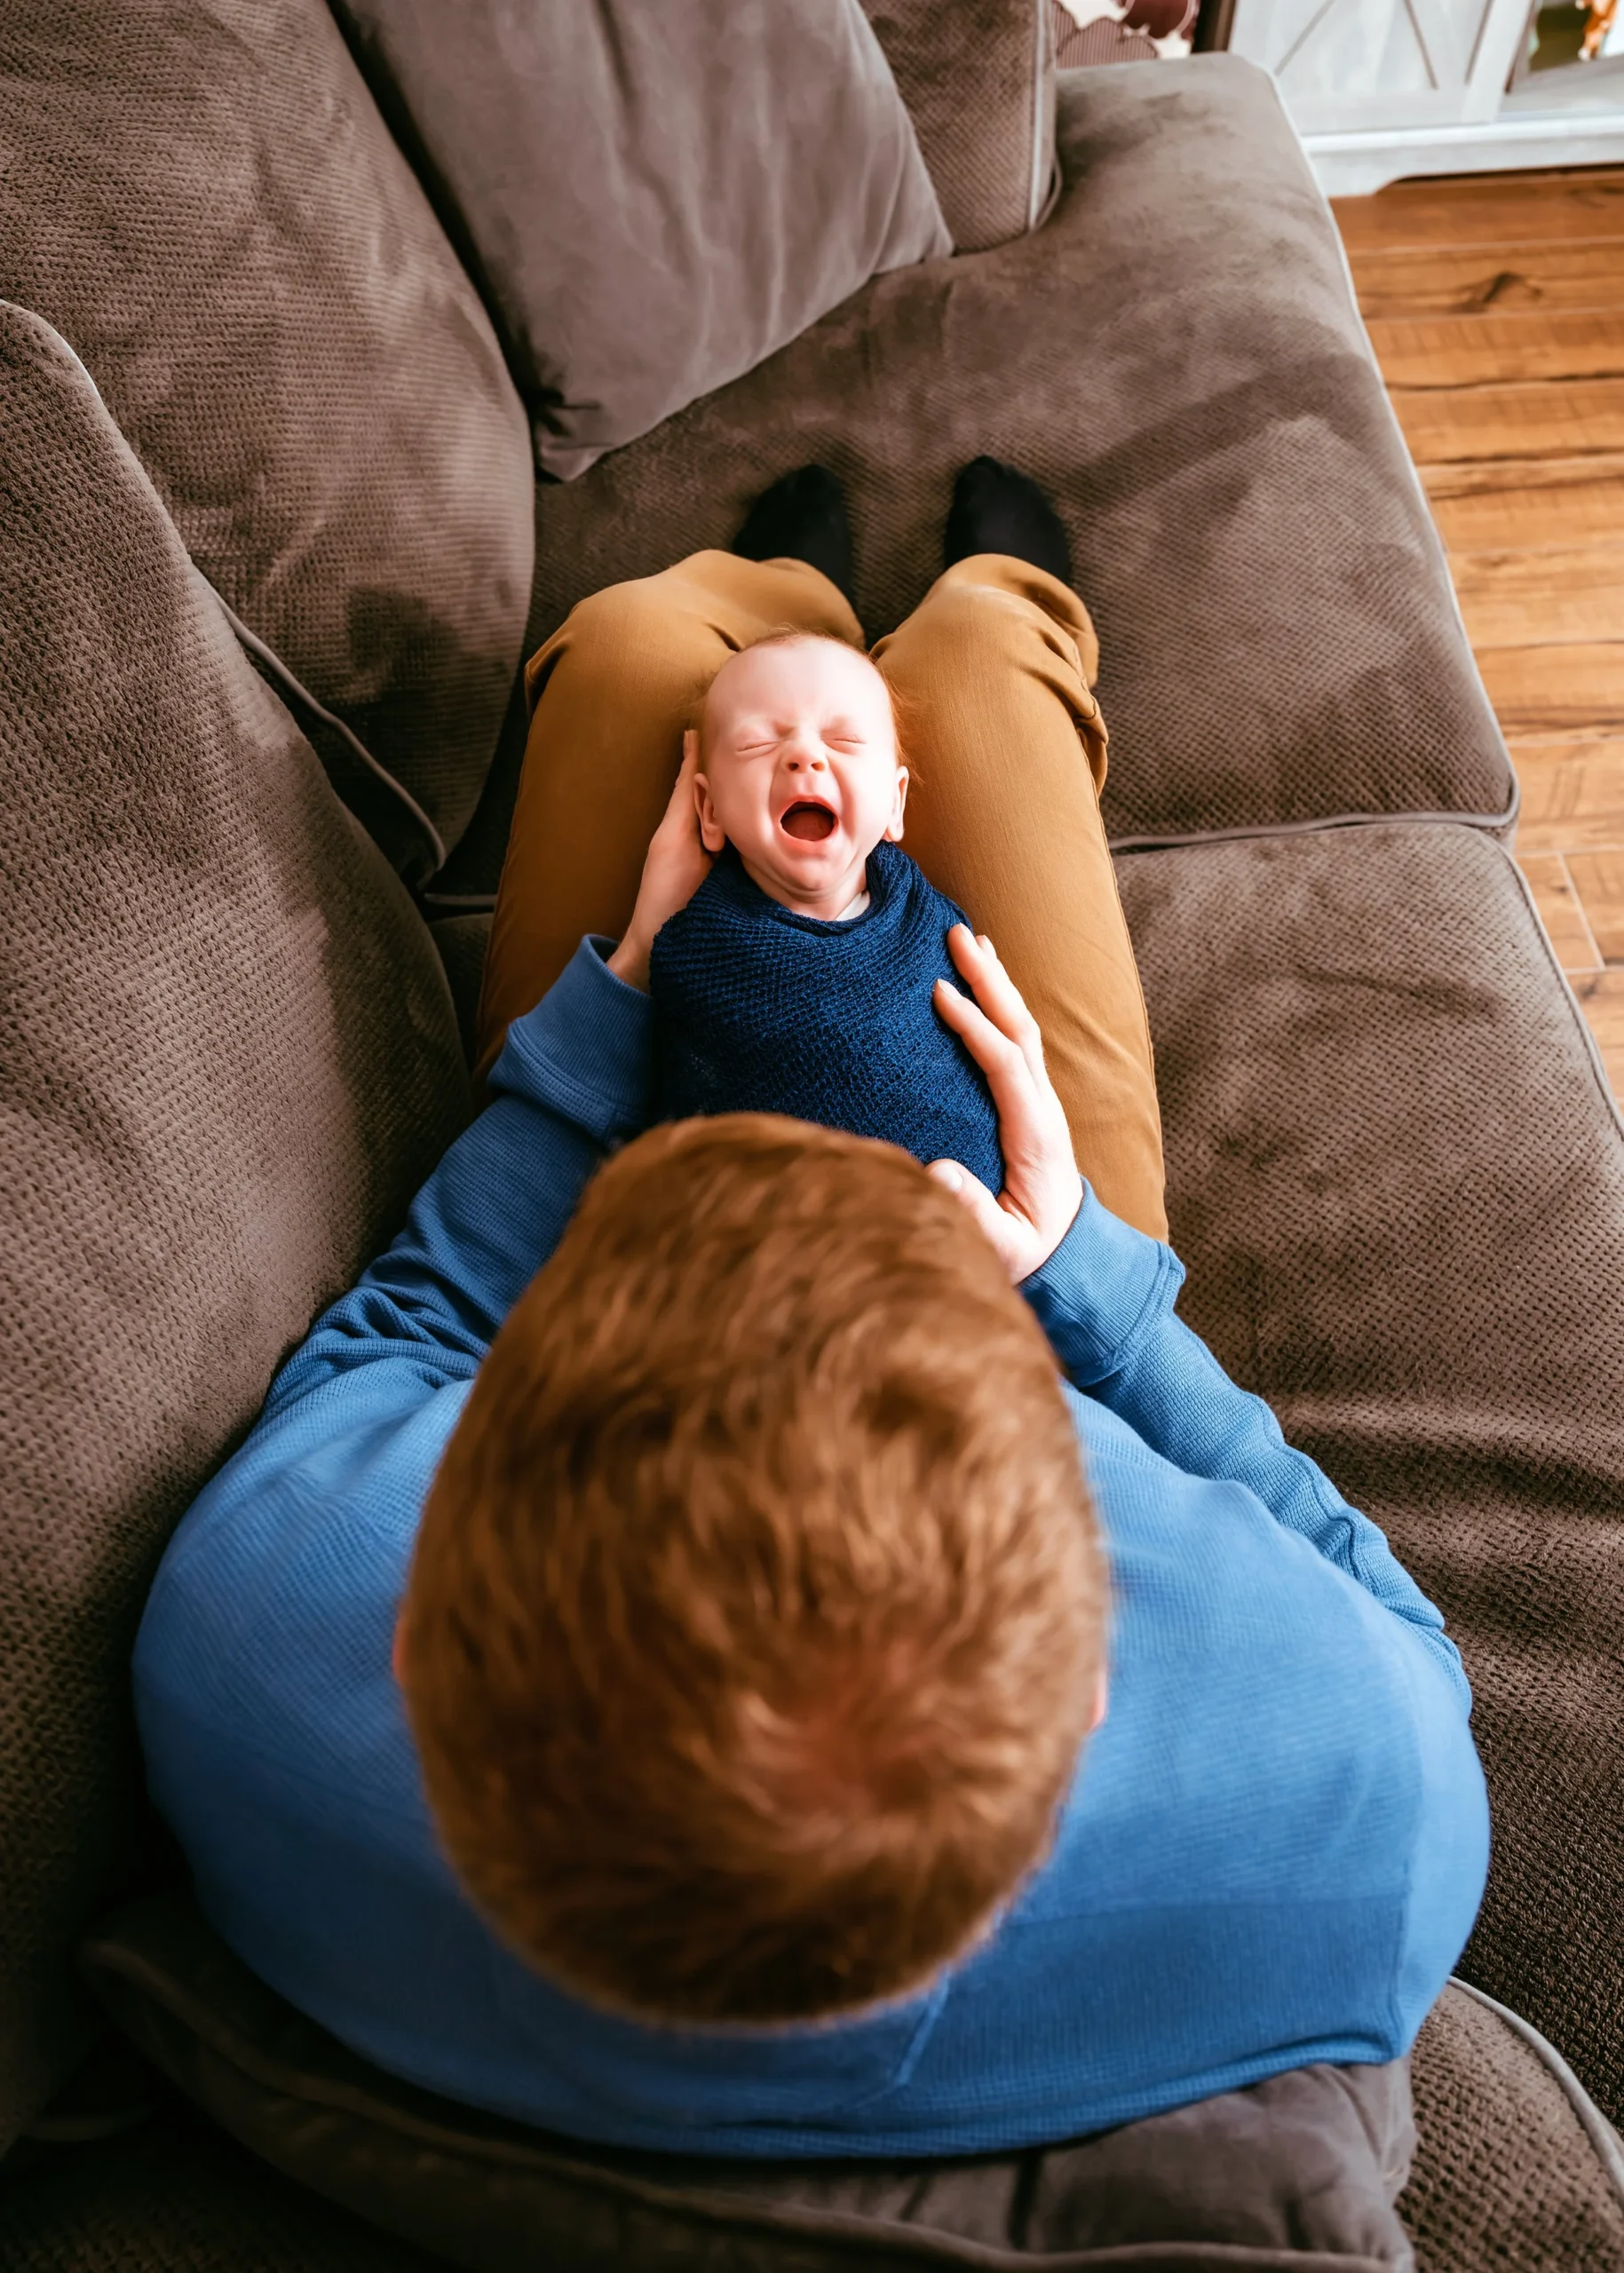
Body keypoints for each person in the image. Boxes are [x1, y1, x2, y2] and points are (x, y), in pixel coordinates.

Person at [133, 463, 1489, 2159]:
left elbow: (404, 1338)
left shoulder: (247, 1667)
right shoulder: (1371, 1817)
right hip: (1012, 1227)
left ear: (424, 1628)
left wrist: (629, 991)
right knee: (978, 679)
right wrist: (1074, 1273)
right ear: (1081, 1687)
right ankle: (998, 593)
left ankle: (781, 582)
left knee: (637, 658)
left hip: (668, 1070)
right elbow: (1394, 1626)